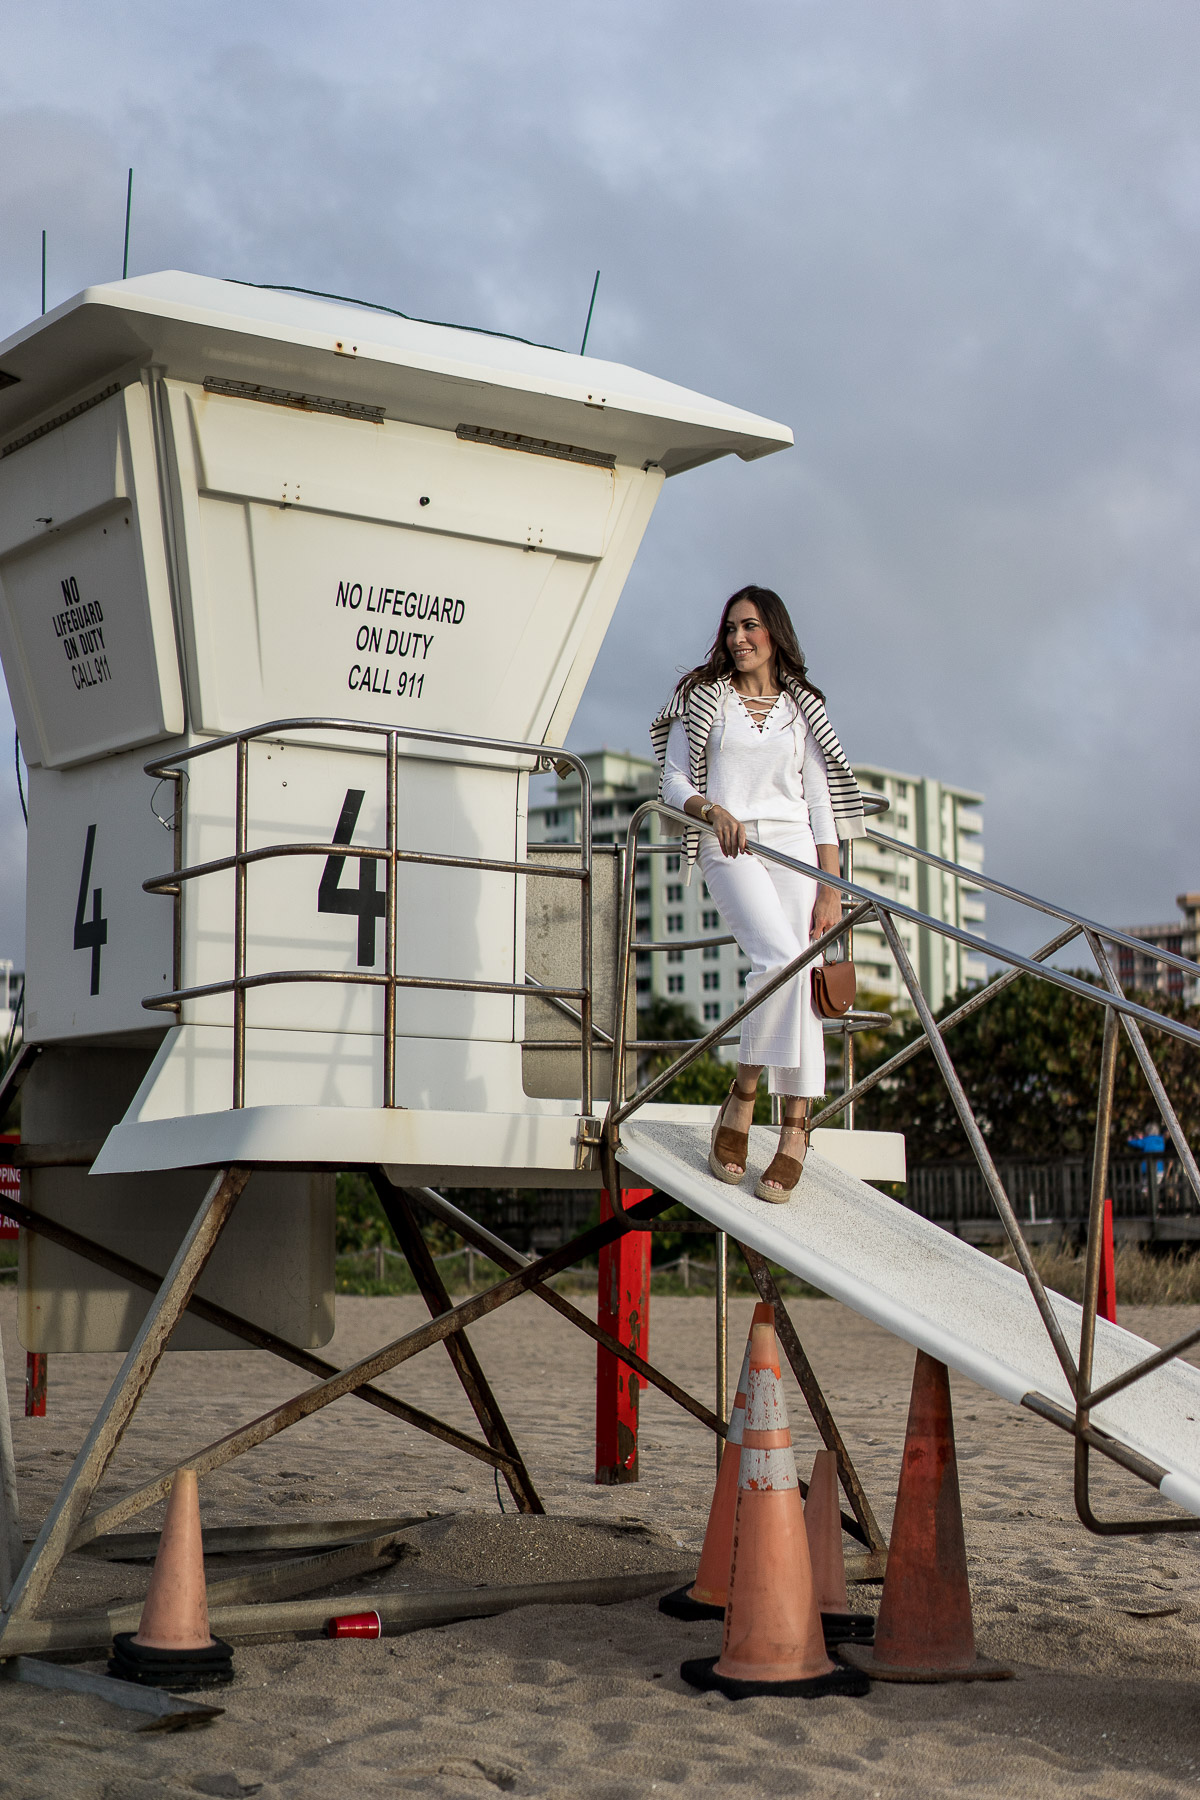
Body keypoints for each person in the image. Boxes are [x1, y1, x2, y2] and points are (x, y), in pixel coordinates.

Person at [650, 586, 865, 1201]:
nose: (738, 639)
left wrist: (832, 889)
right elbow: (671, 781)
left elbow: (821, 805)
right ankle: (745, 1094)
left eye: (750, 627)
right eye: (730, 629)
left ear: (775, 633)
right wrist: (711, 808)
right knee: (778, 958)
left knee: (799, 968)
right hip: (730, 843)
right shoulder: (704, 698)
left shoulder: (804, 708)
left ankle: (795, 1127)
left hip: (798, 848)